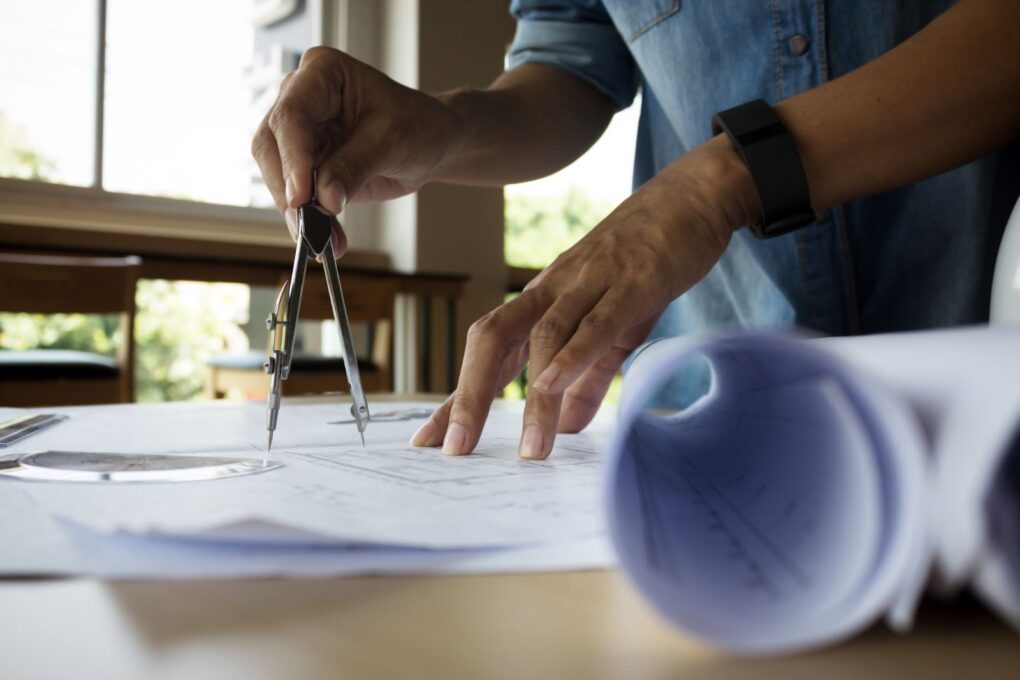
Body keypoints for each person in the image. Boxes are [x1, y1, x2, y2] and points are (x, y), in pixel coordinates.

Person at [252, 0, 1020, 461]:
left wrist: (722, 181)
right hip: (709, 413)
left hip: (986, 380)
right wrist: (449, 124)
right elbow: (572, 63)